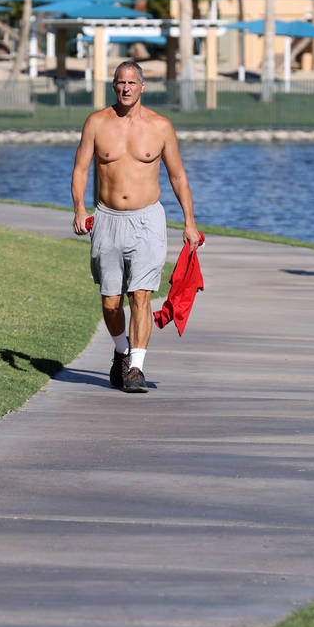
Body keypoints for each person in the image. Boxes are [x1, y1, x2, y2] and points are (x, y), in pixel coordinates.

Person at [71, 60, 202, 393]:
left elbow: (177, 176)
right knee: (110, 301)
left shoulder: (160, 126)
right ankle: (121, 352)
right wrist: (78, 209)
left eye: (132, 83)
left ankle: (136, 369)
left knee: (140, 296)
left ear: (143, 86)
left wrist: (189, 221)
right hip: (107, 218)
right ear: (114, 86)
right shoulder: (97, 123)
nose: (126, 88)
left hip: (147, 220)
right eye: (120, 83)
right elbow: (81, 169)